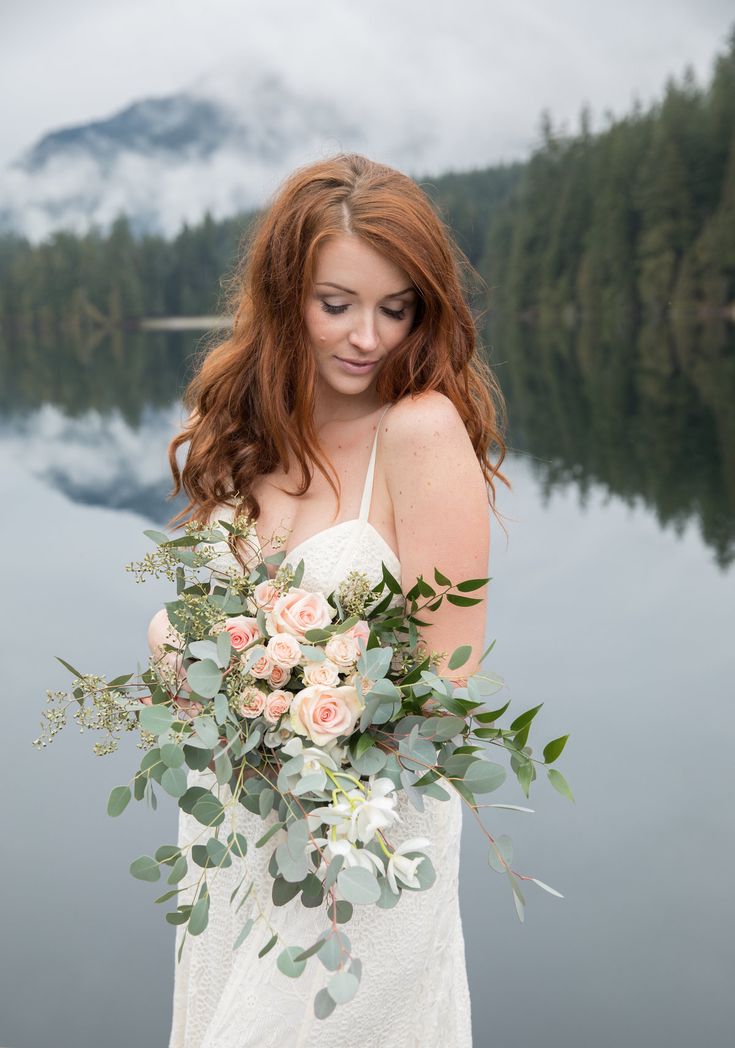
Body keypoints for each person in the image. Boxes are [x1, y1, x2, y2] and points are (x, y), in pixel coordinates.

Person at [163, 152, 509, 1047]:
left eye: (395, 309)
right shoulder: (233, 435)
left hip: (366, 862)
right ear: (284, 298)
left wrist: (309, 704)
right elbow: (206, 640)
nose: (367, 337)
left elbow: (447, 688)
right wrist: (179, 650)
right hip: (235, 841)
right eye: (336, 304)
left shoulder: (421, 433)